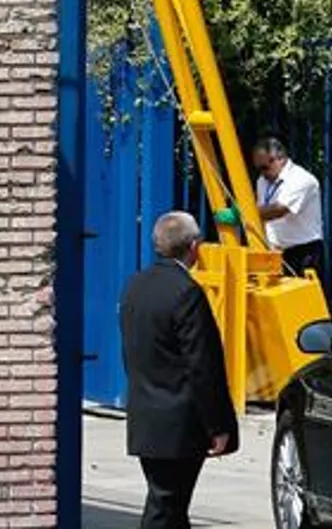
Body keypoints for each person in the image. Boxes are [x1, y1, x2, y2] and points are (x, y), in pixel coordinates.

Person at [119, 211, 238, 529]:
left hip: (146, 415)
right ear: (195, 246)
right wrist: (217, 425)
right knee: (166, 507)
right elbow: (202, 365)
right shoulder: (187, 292)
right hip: (179, 423)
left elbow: (130, 353)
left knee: (170, 504)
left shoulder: (135, 287)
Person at [249, 134, 325, 279]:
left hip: (303, 253)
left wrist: (244, 212)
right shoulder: (262, 181)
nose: (262, 173)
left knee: (303, 300)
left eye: (265, 167)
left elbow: (279, 210)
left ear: (280, 158)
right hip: (276, 254)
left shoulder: (302, 179)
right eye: (259, 168)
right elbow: (262, 211)